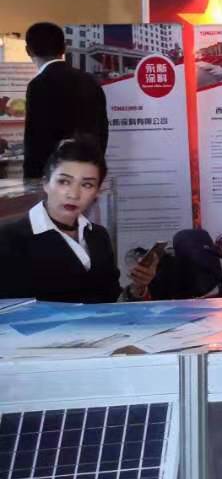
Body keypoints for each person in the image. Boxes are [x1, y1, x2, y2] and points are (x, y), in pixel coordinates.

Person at [0, 138, 158, 303]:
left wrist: (138, 287)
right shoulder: (9, 238)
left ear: (97, 191)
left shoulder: (98, 235)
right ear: (45, 183)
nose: (74, 194)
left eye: (87, 185)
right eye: (64, 182)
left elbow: (112, 302)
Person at [21, 22, 108, 179]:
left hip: (55, 177)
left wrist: (31, 178)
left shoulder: (38, 85)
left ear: (28, 50)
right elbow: (102, 130)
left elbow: (36, 139)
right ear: (64, 47)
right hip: (89, 173)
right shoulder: (90, 81)